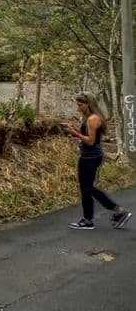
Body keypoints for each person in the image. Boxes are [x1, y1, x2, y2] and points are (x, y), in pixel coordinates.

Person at [64, 92, 131, 230]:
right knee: (88, 188)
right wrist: (73, 129)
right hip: (91, 156)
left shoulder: (92, 119)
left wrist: (75, 133)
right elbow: (88, 136)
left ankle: (94, 218)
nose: (78, 107)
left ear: (88, 104)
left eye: (80, 105)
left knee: (87, 189)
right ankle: (107, 214)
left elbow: (90, 141)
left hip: (90, 157)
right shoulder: (91, 117)